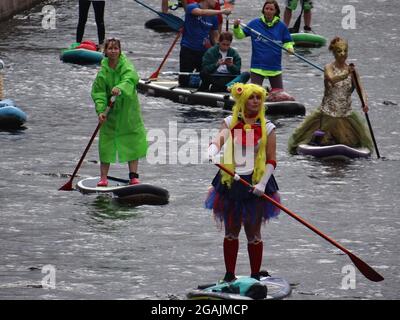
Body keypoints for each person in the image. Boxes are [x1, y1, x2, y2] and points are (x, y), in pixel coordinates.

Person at [205, 83, 281, 282]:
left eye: (258, 97)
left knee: (253, 232)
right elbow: (218, 140)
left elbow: (272, 159)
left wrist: (262, 184)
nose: (255, 101)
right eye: (251, 97)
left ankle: (255, 276)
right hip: (231, 182)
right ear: (243, 100)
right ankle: (229, 276)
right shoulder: (230, 122)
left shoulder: (269, 127)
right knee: (231, 231)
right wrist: (213, 149)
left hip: (257, 183)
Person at [287, 37, 373, 154]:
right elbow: (332, 79)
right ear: (333, 52)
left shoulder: (353, 71)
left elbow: (360, 89)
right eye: (339, 51)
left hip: (345, 114)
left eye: (345, 51)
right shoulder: (328, 68)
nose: (343, 54)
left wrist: (365, 103)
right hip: (327, 113)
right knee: (320, 137)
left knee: (351, 140)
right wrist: (346, 73)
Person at [91, 38, 148, 186]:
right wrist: (101, 111)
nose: (113, 51)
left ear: (120, 50)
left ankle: (134, 176)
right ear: (105, 51)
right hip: (110, 113)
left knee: (132, 141)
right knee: (106, 143)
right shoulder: (103, 71)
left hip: (128, 111)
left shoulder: (126, 65)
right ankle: (103, 178)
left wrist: (120, 88)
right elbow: (99, 93)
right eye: (110, 48)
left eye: (116, 48)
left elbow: (131, 78)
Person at [233, 1, 295, 101]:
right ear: (263, 10)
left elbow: (288, 41)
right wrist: (236, 27)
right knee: (254, 95)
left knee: (280, 96)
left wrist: (290, 48)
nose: (269, 11)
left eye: (271, 9)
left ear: (276, 11)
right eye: (267, 9)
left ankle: (269, 97)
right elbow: (240, 35)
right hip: (258, 66)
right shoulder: (254, 23)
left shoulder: (281, 26)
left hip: (275, 67)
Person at [179, 0, 231, 87]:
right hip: (188, 49)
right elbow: (202, 12)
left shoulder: (213, 17)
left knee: (205, 80)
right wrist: (222, 11)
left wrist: (222, 49)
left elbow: (214, 36)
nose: (217, 2)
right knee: (184, 81)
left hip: (204, 52)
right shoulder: (191, 7)